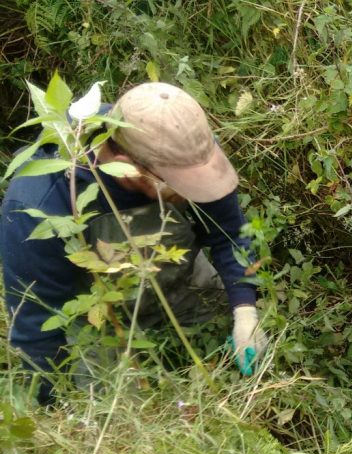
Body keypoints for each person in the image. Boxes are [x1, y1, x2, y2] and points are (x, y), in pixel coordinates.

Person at [1, 82, 267, 405]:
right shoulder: (39, 203)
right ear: (128, 168)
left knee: (257, 340)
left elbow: (230, 233)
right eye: (181, 185)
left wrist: (244, 311)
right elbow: (36, 330)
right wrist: (53, 411)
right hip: (93, 313)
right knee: (109, 412)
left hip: (176, 277)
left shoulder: (182, 145)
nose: (192, 190)